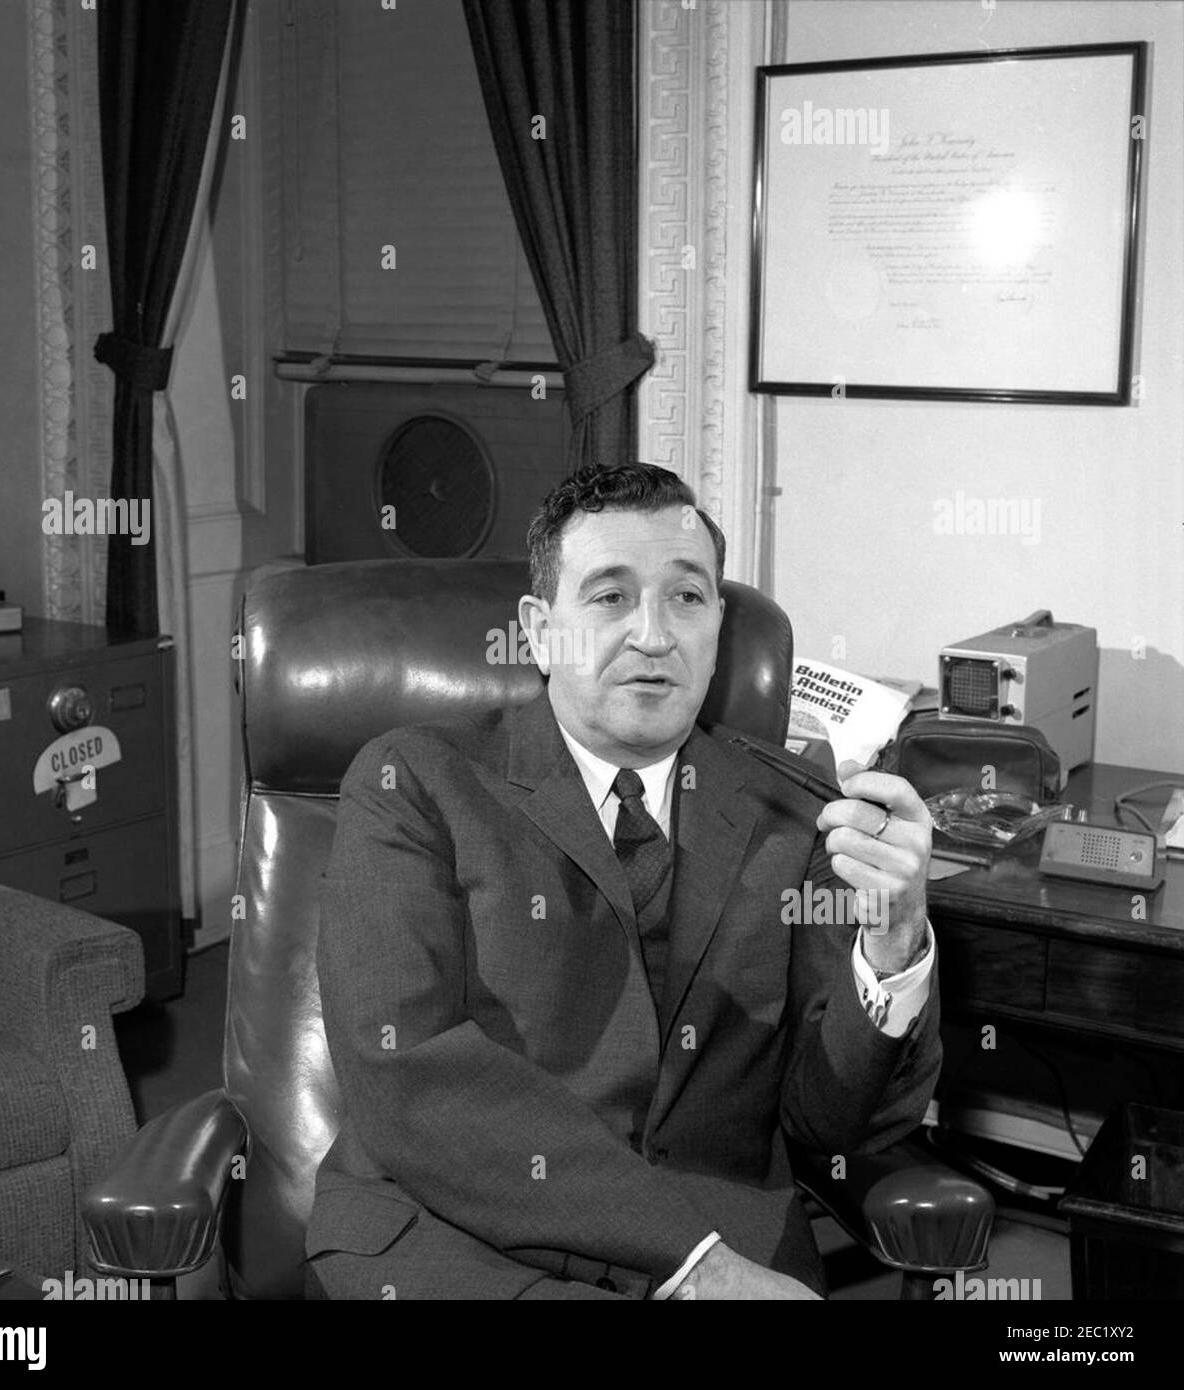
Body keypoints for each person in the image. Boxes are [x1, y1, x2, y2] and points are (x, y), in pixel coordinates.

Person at [308, 462, 938, 1300]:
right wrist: (695, 1264)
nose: (652, 635)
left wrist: (894, 946)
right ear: (540, 630)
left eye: (686, 598)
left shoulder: (802, 817)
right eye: (609, 597)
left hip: (729, 1247)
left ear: (718, 624)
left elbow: (835, 1124)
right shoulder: (415, 785)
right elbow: (409, 1076)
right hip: (455, 1247)